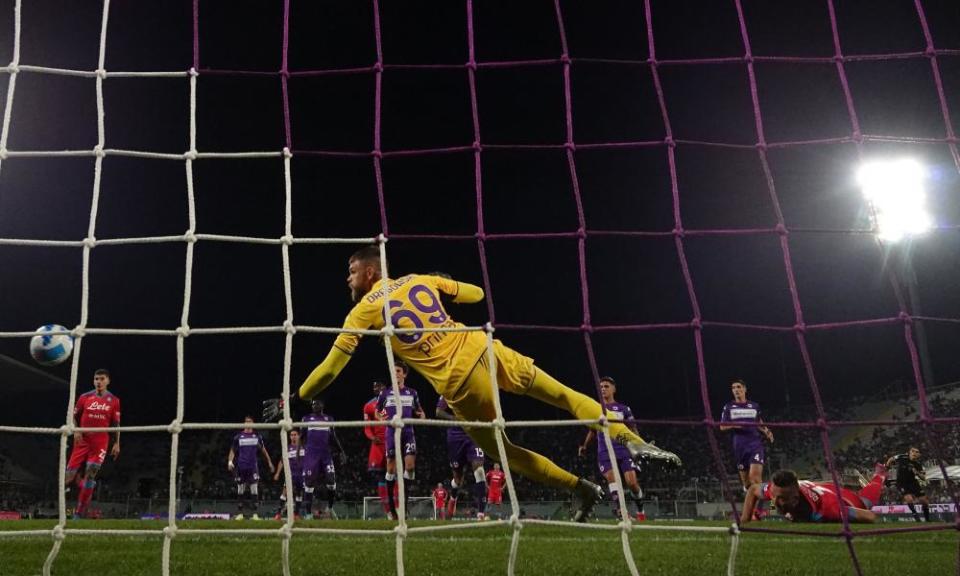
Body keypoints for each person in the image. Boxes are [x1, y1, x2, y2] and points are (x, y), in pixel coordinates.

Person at [264, 245, 681, 522]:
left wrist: (295, 398)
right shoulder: (419, 279)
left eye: (352, 272)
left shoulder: (363, 312)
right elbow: (477, 294)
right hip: (483, 345)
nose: (348, 279)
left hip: (462, 381)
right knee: (565, 396)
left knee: (505, 451)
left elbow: (332, 368)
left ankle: (581, 489)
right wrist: (441, 282)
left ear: (371, 272)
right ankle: (633, 440)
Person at [577, 377, 644, 520]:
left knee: (632, 483)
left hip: (623, 448)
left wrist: (640, 445)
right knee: (613, 480)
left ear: (614, 389)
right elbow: (593, 430)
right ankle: (622, 512)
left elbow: (633, 428)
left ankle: (640, 510)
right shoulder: (597, 408)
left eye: (606, 386)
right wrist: (584, 445)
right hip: (605, 450)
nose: (603, 389)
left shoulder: (623, 409)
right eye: (601, 386)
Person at [741, 465, 886, 524]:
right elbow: (753, 489)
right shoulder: (778, 491)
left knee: (867, 500)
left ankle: (880, 474)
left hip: (846, 498)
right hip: (818, 488)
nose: (774, 500)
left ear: (795, 499)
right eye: (773, 496)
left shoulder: (829, 510)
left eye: (781, 499)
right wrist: (744, 520)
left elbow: (871, 516)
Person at [65, 369, 121, 519]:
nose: (98, 382)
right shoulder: (84, 397)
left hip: (100, 441)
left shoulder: (114, 401)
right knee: (68, 477)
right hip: (82, 441)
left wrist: (117, 443)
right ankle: (78, 489)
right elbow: (73, 417)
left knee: (90, 475)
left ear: (108, 381)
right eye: (96, 379)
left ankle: (78, 513)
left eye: (102, 379)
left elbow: (116, 424)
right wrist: (76, 431)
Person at [376, 361, 426, 518]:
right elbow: (377, 411)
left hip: (408, 432)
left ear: (404, 374)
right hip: (391, 432)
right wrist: (380, 418)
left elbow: (420, 410)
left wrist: (422, 415)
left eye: (398, 371)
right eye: (393, 370)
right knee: (391, 470)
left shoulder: (412, 393)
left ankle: (403, 507)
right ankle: (392, 508)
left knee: (409, 467)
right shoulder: (385, 393)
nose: (395, 373)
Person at [436, 395, 487, 520]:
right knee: (458, 480)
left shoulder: (477, 389)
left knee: (479, 470)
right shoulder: (450, 390)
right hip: (455, 437)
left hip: (474, 434)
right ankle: (453, 497)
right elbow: (438, 412)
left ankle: (481, 514)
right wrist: (454, 419)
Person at [719, 380, 774, 493]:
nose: (736, 390)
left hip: (755, 444)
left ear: (744, 389)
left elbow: (758, 422)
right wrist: (736, 425)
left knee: (755, 478)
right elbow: (722, 426)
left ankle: (761, 509)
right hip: (739, 446)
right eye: (733, 388)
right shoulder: (728, 407)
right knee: (747, 484)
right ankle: (752, 505)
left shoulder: (754, 406)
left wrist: (766, 431)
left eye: (738, 387)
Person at [301, 398, 346, 519]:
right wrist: (298, 454)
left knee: (331, 481)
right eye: (313, 404)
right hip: (311, 456)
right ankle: (308, 514)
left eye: (317, 403)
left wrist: (342, 451)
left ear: (323, 405)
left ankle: (330, 508)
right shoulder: (306, 419)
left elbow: (334, 437)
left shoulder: (329, 419)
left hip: (326, 455)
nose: (315, 405)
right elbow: (301, 438)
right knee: (309, 484)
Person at [227, 416, 275, 520]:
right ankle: (240, 514)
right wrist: (230, 461)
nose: (248, 423)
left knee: (254, 490)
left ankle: (255, 514)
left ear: (253, 424)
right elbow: (232, 451)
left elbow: (264, 450)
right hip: (241, 466)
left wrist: (270, 462)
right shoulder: (238, 437)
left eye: (250, 422)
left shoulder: (257, 436)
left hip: (253, 467)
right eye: (246, 422)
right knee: (240, 490)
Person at [363, 380, 392, 517]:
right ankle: (388, 512)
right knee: (381, 476)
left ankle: (397, 508)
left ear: (385, 387)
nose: (376, 388)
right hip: (378, 445)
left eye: (379, 386)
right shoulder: (368, 406)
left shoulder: (393, 401)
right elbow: (367, 427)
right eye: (374, 386)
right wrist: (371, 437)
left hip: (392, 442)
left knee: (394, 476)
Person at [886, 447, 930, 522]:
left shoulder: (918, 465)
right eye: (913, 451)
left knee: (924, 501)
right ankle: (916, 516)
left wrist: (917, 472)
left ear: (919, 455)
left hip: (913, 482)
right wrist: (887, 466)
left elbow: (923, 478)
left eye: (917, 452)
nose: (914, 453)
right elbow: (891, 459)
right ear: (909, 452)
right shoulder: (902, 457)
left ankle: (927, 519)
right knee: (909, 499)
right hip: (902, 482)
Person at [273, 429, 305, 519]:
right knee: (284, 493)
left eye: (295, 435)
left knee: (299, 494)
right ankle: (278, 514)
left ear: (298, 436)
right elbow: (282, 461)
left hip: (301, 475)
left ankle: (296, 514)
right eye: (291, 435)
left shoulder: (304, 447)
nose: (293, 436)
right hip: (290, 475)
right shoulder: (287, 448)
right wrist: (277, 473)